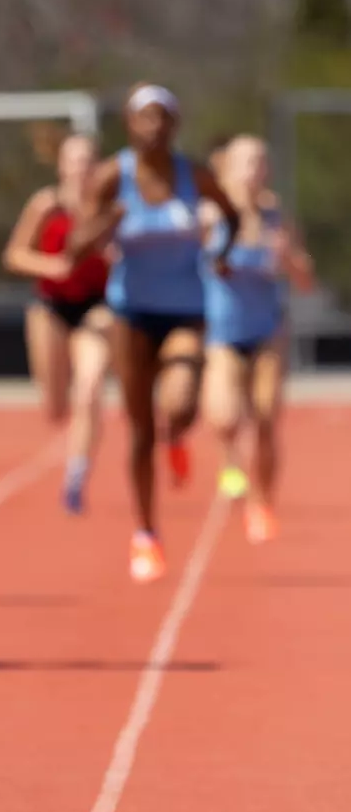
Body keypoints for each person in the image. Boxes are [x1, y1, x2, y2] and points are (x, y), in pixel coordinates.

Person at [60, 83, 239, 582]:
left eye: (163, 118)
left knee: (180, 400)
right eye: (145, 119)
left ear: (175, 125)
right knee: (139, 430)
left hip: (185, 309)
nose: (154, 128)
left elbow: (231, 213)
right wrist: (106, 224)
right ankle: (146, 533)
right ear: (130, 125)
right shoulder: (112, 176)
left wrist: (220, 255)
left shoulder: (193, 175)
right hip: (130, 312)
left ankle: (178, 432)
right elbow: (74, 246)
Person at [199, 133, 315, 542]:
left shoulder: (276, 217)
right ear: (228, 167)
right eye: (245, 161)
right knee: (226, 416)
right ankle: (230, 460)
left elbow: (304, 280)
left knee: (265, 417)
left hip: (267, 330)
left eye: (260, 161)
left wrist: (287, 258)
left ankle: (262, 503)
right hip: (222, 331)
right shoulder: (210, 215)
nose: (254, 170)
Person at [1, 133, 114, 514]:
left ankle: (77, 473)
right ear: (63, 166)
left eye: (89, 160)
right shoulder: (47, 205)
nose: (82, 168)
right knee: (55, 406)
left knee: (90, 386)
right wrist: (54, 266)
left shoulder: (110, 211)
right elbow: (14, 255)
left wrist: (113, 254)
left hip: (97, 306)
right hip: (51, 305)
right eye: (75, 160)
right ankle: (65, 419)